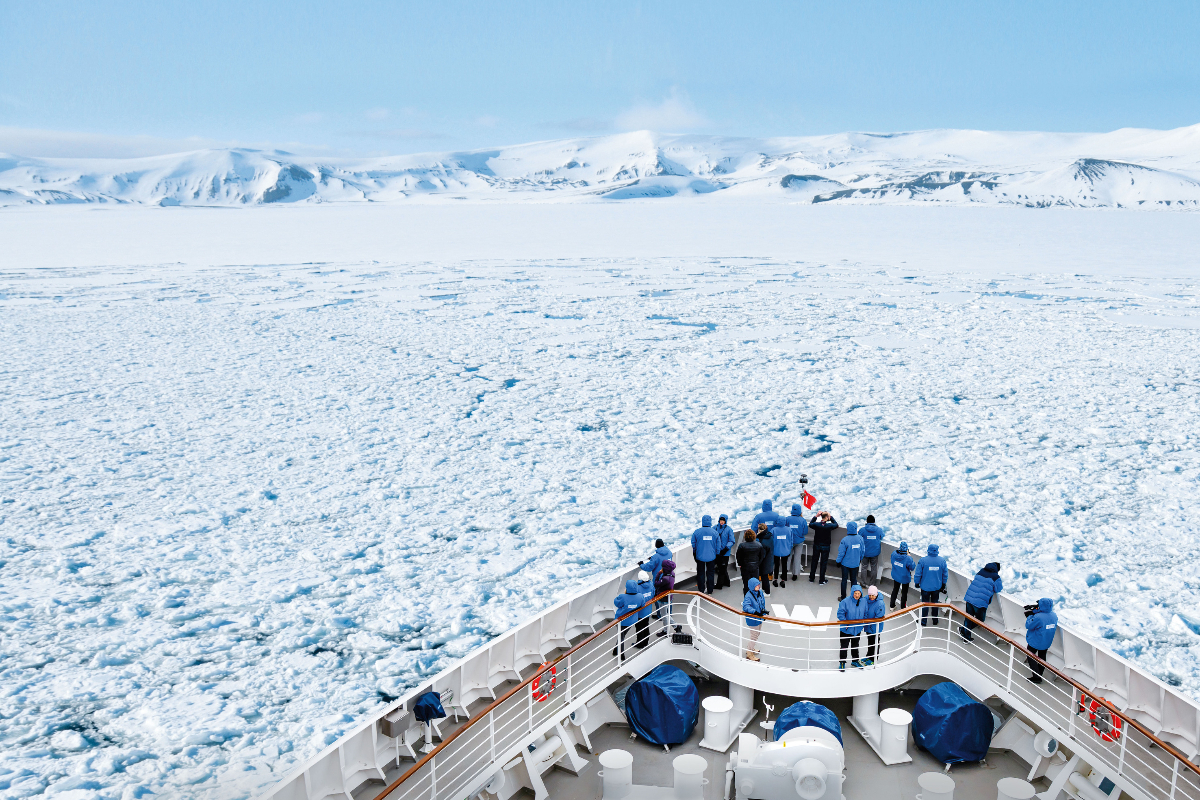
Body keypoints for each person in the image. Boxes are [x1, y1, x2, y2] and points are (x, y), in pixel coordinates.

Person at [960, 562, 1003, 642]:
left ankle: (965, 635)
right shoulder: (996, 577)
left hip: (969, 597)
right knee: (980, 620)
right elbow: (998, 589)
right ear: (997, 569)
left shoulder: (981, 571)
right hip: (980, 602)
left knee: (968, 618)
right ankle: (964, 632)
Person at [912, 544, 948, 627]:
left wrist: (917, 583)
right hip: (936, 587)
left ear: (928, 550)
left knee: (925, 604)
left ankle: (923, 622)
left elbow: (918, 574)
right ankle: (935, 620)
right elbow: (945, 575)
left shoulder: (923, 560)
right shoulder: (942, 561)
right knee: (935, 603)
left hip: (925, 587)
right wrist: (943, 584)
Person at [1024, 598, 1058, 683]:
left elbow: (1029, 625)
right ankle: (1039, 674)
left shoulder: (1038, 617)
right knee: (1042, 657)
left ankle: (1036, 677)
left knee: (1030, 656)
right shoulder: (1054, 615)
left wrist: (1030, 616)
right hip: (1046, 640)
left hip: (1036, 641)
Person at [837, 584, 868, 670]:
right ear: (852, 593)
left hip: (857, 629)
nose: (857, 595)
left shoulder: (863, 602)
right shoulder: (845, 602)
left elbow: (865, 613)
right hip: (846, 630)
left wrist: (862, 624)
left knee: (855, 646)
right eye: (855, 593)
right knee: (844, 646)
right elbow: (840, 613)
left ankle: (855, 661)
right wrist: (846, 623)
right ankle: (842, 662)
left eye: (858, 593)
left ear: (861, 593)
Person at [612, 579, 643, 660]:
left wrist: (621, 595)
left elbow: (616, 603)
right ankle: (615, 650)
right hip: (632, 620)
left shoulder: (623, 597)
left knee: (621, 637)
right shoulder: (640, 596)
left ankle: (621, 655)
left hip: (621, 621)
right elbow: (642, 604)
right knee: (622, 635)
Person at [836, 520, 865, 601]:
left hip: (845, 564)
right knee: (854, 580)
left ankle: (843, 597)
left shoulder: (845, 540)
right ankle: (854, 598)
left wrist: (838, 561)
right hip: (855, 563)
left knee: (844, 580)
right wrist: (859, 560)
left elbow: (841, 553)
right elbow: (862, 552)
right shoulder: (860, 539)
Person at [691, 515, 719, 594]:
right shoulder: (715, 532)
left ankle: (701, 590)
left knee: (701, 574)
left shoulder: (697, 532)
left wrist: (695, 553)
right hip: (712, 557)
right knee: (710, 573)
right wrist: (716, 554)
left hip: (700, 557)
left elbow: (693, 544)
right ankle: (710, 590)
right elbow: (718, 546)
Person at [808, 511, 838, 585]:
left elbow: (810, 524)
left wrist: (816, 516)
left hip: (817, 545)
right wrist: (831, 517)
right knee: (823, 563)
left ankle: (811, 578)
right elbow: (836, 525)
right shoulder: (829, 526)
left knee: (814, 561)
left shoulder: (817, 525)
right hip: (826, 546)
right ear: (827, 517)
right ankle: (821, 580)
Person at [742, 577, 767, 661]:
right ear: (752, 586)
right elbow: (745, 607)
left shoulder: (759, 592)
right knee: (754, 636)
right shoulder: (748, 596)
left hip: (759, 618)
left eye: (759, 584)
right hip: (753, 619)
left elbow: (762, 603)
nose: (758, 586)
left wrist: (763, 612)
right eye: (756, 585)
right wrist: (755, 612)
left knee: (757, 634)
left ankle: (751, 648)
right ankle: (749, 653)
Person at [735, 530, 766, 595]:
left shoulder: (742, 545)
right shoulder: (759, 545)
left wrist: (740, 564)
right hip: (755, 567)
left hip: (745, 568)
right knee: (755, 585)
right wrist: (757, 564)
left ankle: (747, 601)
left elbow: (738, 556)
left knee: (746, 585)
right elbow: (762, 556)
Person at [863, 586, 886, 665]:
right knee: (870, 641)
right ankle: (869, 656)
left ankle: (873, 658)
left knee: (875, 642)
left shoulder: (880, 604)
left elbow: (879, 616)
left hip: (875, 627)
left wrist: (870, 623)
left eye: (873, 595)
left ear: (876, 594)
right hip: (869, 626)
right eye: (870, 595)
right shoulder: (866, 599)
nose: (871, 597)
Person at [859, 515, 885, 587]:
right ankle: (872, 584)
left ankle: (863, 583)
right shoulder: (879, 530)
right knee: (874, 568)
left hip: (865, 552)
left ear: (866, 521)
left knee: (864, 567)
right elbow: (882, 536)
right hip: (874, 553)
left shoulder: (862, 530)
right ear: (874, 521)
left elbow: (859, 537)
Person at [784, 503, 807, 580]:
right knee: (797, 557)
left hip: (789, 541)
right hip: (799, 541)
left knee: (788, 556)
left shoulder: (787, 519)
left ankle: (785, 571)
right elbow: (805, 532)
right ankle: (795, 575)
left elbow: (784, 529)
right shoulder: (803, 520)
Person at [654, 558, 677, 636]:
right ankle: (676, 627)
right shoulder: (672, 573)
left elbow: (656, 584)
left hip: (664, 599)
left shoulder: (665, 579)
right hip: (668, 597)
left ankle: (666, 630)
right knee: (666, 614)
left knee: (664, 616)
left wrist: (658, 574)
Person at [889, 542, 916, 609]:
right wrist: (910, 557)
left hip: (896, 575)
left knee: (895, 590)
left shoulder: (894, 554)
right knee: (904, 593)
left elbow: (892, 561)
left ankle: (892, 606)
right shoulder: (908, 558)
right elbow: (912, 567)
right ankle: (903, 608)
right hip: (905, 578)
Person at [713, 514, 736, 591]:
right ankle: (727, 582)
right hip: (716, 552)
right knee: (721, 568)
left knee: (722, 569)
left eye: (723, 521)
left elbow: (732, 540)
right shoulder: (714, 528)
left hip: (724, 553)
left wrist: (726, 549)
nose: (722, 522)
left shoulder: (729, 529)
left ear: (725, 521)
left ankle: (719, 585)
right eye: (721, 520)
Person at [770, 519, 794, 589]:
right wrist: (789, 548)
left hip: (776, 551)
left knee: (776, 565)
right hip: (785, 551)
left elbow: (771, 540)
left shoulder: (773, 530)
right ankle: (783, 580)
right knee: (784, 565)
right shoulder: (789, 529)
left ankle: (775, 580)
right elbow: (791, 540)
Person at [635, 570, 654, 648]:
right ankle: (646, 642)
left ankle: (640, 643)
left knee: (639, 628)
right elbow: (653, 594)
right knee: (646, 625)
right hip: (648, 610)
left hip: (639, 612)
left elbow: (636, 599)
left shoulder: (637, 587)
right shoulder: (651, 584)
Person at [756, 524, 773, 595]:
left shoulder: (762, 542)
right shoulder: (770, 536)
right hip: (769, 559)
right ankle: (764, 589)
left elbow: (762, 554)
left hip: (764, 562)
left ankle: (767, 592)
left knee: (764, 577)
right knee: (765, 576)